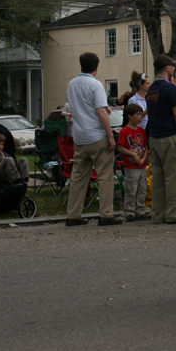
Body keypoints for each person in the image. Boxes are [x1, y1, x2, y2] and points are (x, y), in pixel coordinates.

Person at [64, 52, 121, 227]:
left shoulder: (71, 85)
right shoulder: (96, 85)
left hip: (79, 136)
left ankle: (73, 214)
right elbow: (100, 112)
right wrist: (110, 136)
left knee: (78, 177)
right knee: (105, 176)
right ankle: (105, 214)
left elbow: (78, 108)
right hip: (97, 135)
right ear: (96, 67)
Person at [146, 54, 176, 225]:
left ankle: (158, 214)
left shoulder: (151, 89)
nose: (174, 68)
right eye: (173, 66)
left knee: (158, 179)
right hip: (169, 136)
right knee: (175, 176)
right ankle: (175, 213)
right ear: (167, 68)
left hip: (154, 137)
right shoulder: (171, 88)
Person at [116, 104, 150, 222]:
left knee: (142, 188)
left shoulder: (141, 130)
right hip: (130, 165)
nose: (140, 117)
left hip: (141, 164)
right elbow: (120, 147)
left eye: (141, 114)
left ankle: (140, 210)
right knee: (131, 188)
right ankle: (129, 211)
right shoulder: (124, 131)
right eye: (138, 114)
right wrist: (133, 155)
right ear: (130, 116)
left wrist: (143, 158)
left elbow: (145, 146)